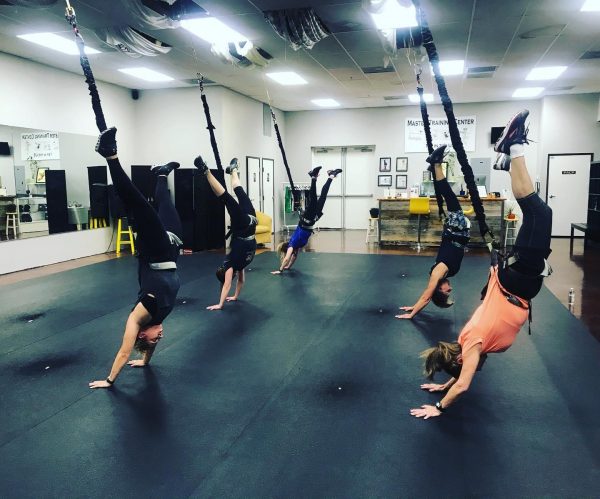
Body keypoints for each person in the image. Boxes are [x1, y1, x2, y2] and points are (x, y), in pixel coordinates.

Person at [410, 109, 552, 419]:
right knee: (535, 213)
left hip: (518, 281)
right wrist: (445, 384)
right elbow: (462, 375)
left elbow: (463, 384)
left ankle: (513, 147)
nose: (448, 289)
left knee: (540, 214)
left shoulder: (471, 342)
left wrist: (439, 406)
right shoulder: (471, 344)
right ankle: (509, 155)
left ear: (460, 360)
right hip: (513, 282)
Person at [89, 127, 183, 389]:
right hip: (171, 249)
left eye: (154, 339)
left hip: (153, 249)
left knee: (138, 202)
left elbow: (123, 351)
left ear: (142, 334)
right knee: (167, 206)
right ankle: (161, 174)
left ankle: (110, 155)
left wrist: (109, 380)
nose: (159, 337)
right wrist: (144, 360)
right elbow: (147, 346)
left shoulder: (138, 318)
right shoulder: (157, 320)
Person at [396, 144, 470, 319]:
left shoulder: (437, 274)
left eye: (447, 291)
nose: (450, 288)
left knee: (449, 195)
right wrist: (414, 306)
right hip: (455, 232)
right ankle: (435, 167)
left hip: (456, 230)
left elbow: (426, 296)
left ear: (439, 289)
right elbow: (427, 296)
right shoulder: (442, 275)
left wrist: (412, 314)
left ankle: (436, 164)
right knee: (448, 196)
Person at [194, 156, 256, 310]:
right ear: (224, 272)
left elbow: (240, 281)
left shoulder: (240, 265)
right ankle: (206, 170)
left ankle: (233, 170)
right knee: (227, 198)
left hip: (252, 222)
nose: (222, 266)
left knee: (239, 192)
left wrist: (235, 296)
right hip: (242, 225)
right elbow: (227, 284)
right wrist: (220, 304)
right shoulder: (230, 265)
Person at [272, 166, 342, 274]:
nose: (291, 254)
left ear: (287, 249)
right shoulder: (295, 249)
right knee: (323, 197)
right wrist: (288, 267)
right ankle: (331, 176)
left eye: (288, 252)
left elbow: (287, 258)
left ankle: (313, 177)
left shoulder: (291, 245)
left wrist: (280, 270)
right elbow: (292, 259)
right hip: (312, 219)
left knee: (313, 199)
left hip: (306, 220)